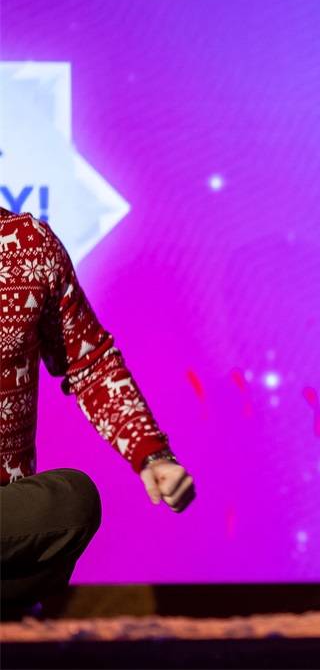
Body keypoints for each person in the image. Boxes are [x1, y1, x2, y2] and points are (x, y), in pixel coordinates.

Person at [0, 207, 195, 619]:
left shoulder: (30, 244)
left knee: (74, 502)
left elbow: (89, 364)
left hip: (8, 518)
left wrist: (151, 453)